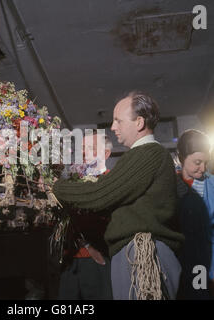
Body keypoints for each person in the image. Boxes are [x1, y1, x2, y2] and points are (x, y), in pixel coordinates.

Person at [53, 91, 184, 300]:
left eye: (118, 121)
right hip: (133, 252)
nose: (113, 127)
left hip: (141, 253)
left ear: (139, 122)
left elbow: (99, 193)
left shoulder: (148, 153)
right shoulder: (144, 154)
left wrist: (56, 187)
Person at [58, 132, 113, 300]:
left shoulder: (112, 182)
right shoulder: (73, 182)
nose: (84, 153)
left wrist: (93, 248)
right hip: (70, 260)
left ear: (105, 154)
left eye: (91, 149)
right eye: (82, 149)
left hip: (97, 260)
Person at [176, 129, 214, 299]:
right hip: (176, 259)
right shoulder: (168, 184)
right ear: (181, 158)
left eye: (206, 162)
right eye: (197, 162)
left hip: (204, 260)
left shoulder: (212, 184)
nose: (203, 168)